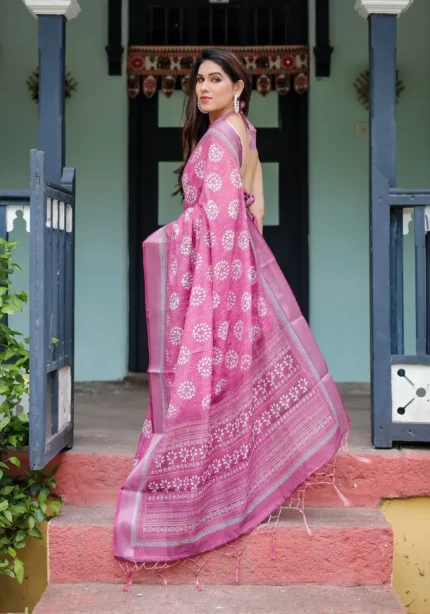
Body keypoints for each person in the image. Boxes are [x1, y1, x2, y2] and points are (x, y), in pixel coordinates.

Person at [114, 48, 350, 565]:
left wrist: (175, 237)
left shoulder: (219, 140)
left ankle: (204, 501)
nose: (203, 89)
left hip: (217, 275)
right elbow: (255, 204)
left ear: (239, 87)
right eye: (198, 80)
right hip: (235, 267)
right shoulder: (244, 132)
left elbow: (219, 221)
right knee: (237, 374)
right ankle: (244, 482)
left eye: (216, 79)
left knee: (205, 380)